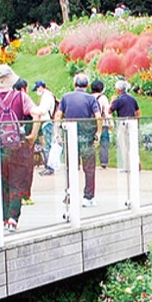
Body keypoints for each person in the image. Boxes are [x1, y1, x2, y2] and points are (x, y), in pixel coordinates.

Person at [0, 64, 40, 233]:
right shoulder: (21, 97)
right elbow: (37, 114)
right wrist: (32, 135)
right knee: (17, 182)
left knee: (2, 183)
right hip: (17, 147)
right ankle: (13, 219)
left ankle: (3, 218)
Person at [56, 72, 101, 206]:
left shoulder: (65, 97)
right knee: (89, 168)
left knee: (70, 167)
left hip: (70, 137)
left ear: (74, 84)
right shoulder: (91, 99)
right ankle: (88, 197)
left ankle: (70, 193)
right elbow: (98, 116)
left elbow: (58, 115)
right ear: (87, 85)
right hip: (86, 138)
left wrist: (57, 132)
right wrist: (98, 132)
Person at [32, 80, 58, 173]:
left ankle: (49, 167)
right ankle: (48, 166)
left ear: (40, 87)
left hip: (47, 122)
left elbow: (43, 110)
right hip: (45, 122)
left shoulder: (47, 96)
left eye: (37, 89)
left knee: (48, 145)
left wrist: (34, 110)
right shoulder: (46, 95)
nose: (37, 91)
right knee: (47, 145)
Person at [93, 78, 112, 168]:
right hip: (103, 123)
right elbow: (107, 112)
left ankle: (90, 162)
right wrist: (111, 122)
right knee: (104, 142)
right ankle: (104, 162)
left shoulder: (89, 97)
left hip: (91, 123)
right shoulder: (103, 98)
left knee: (90, 143)